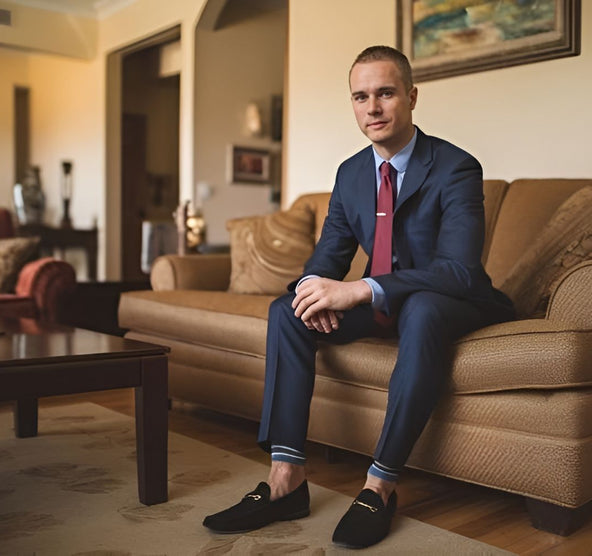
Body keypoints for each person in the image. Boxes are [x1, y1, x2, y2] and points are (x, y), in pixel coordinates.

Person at [202, 45, 514, 549]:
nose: (372, 108)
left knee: (424, 307)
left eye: (385, 93)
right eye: (361, 96)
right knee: (288, 311)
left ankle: (380, 484)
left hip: (452, 300)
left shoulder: (457, 167)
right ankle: (286, 479)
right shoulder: (351, 173)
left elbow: (457, 271)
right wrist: (313, 290)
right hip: (384, 301)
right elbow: (328, 255)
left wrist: (359, 289)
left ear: (411, 97)